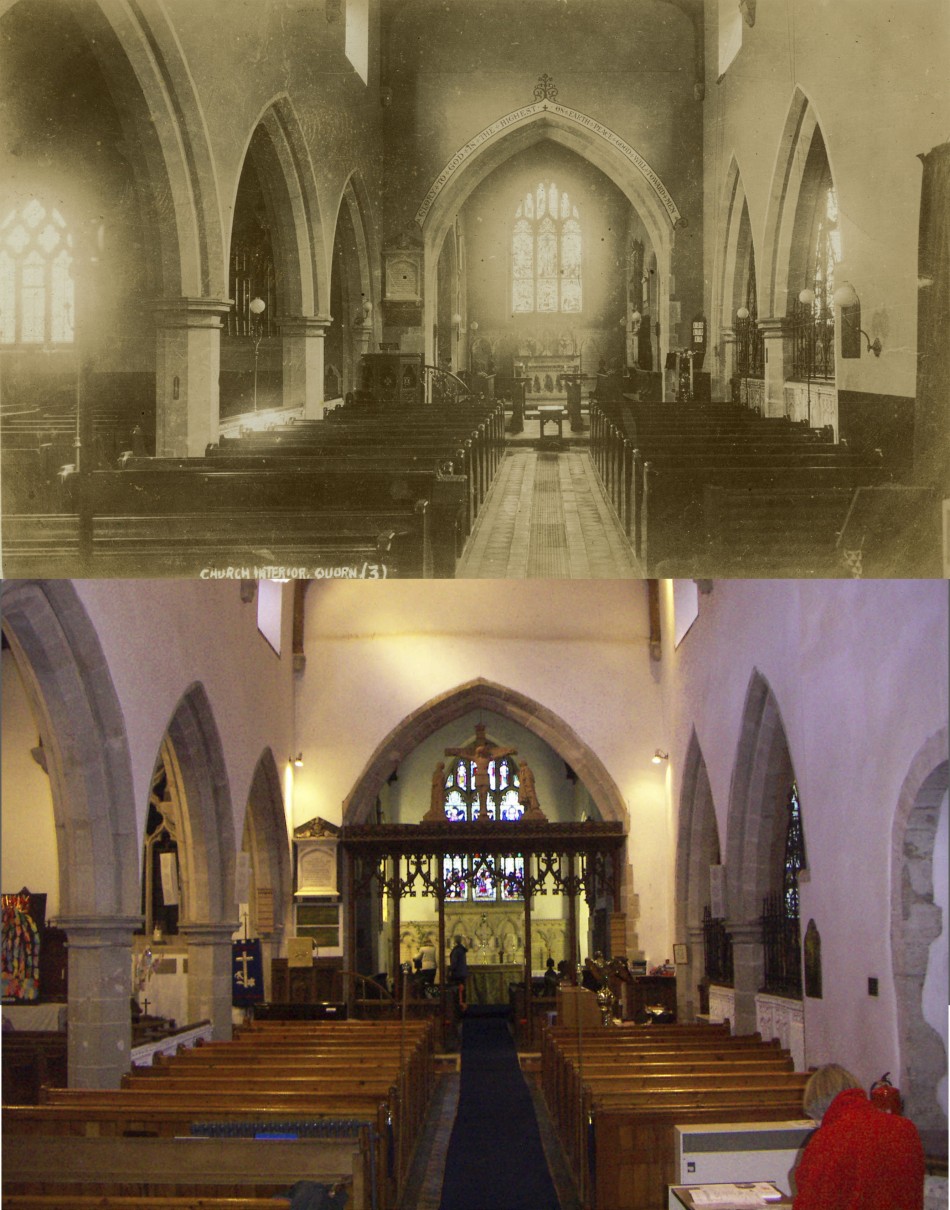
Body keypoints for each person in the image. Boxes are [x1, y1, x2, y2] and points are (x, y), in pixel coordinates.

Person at [792, 1064, 925, 1210]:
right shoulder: (905, 1128)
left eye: (815, 1119)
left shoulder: (827, 1139)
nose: (817, 1123)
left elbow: (811, 1201)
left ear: (819, 1106)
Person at [448, 935, 468, 1007]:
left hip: (457, 974)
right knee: (462, 990)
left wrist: (450, 970)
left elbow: (454, 962)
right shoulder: (462, 950)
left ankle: (459, 1005)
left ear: (455, 941)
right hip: (462, 973)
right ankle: (463, 1004)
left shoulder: (456, 950)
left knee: (458, 991)